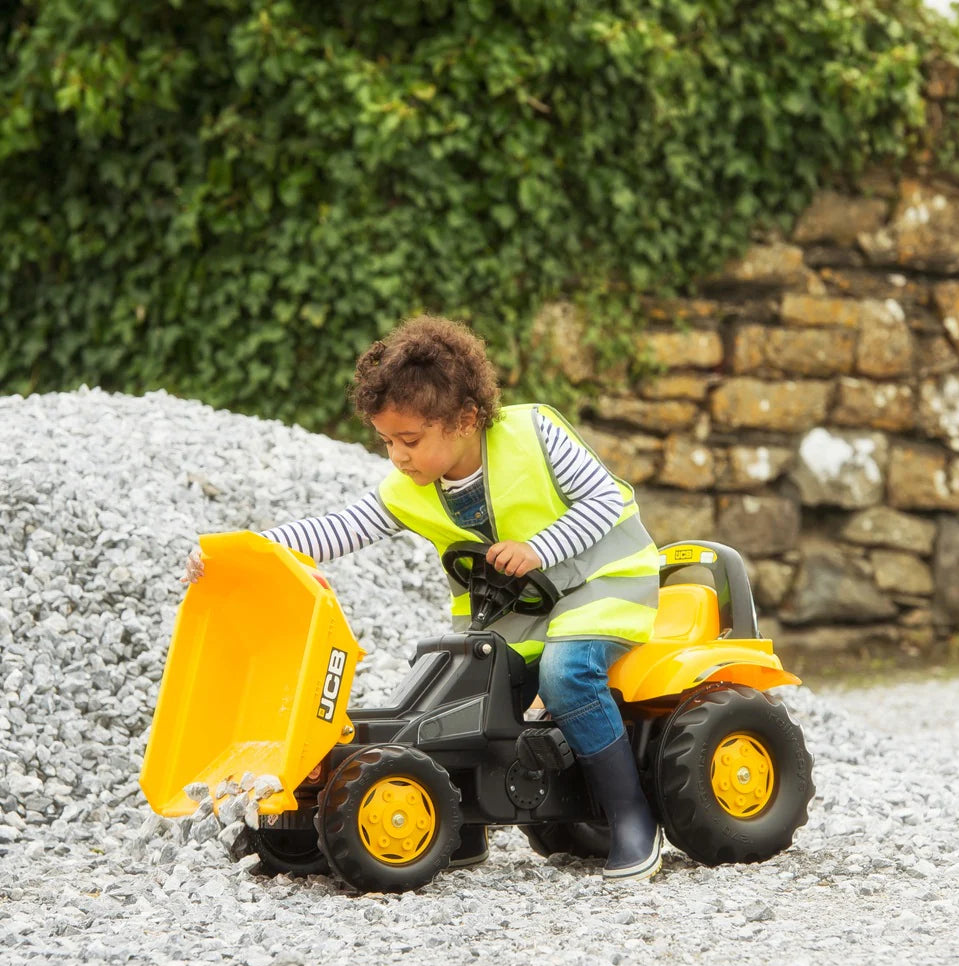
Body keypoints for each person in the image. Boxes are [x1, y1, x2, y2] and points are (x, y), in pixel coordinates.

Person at [183, 315, 663, 881]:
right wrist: (246, 552)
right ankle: (460, 826)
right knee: (454, 691)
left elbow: (606, 500)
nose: (398, 456)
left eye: (409, 441)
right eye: (387, 441)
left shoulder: (535, 434)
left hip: (604, 585)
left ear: (465, 420)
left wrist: (539, 548)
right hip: (520, 610)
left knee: (565, 675)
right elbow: (340, 528)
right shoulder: (407, 490)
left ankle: (631, 815)